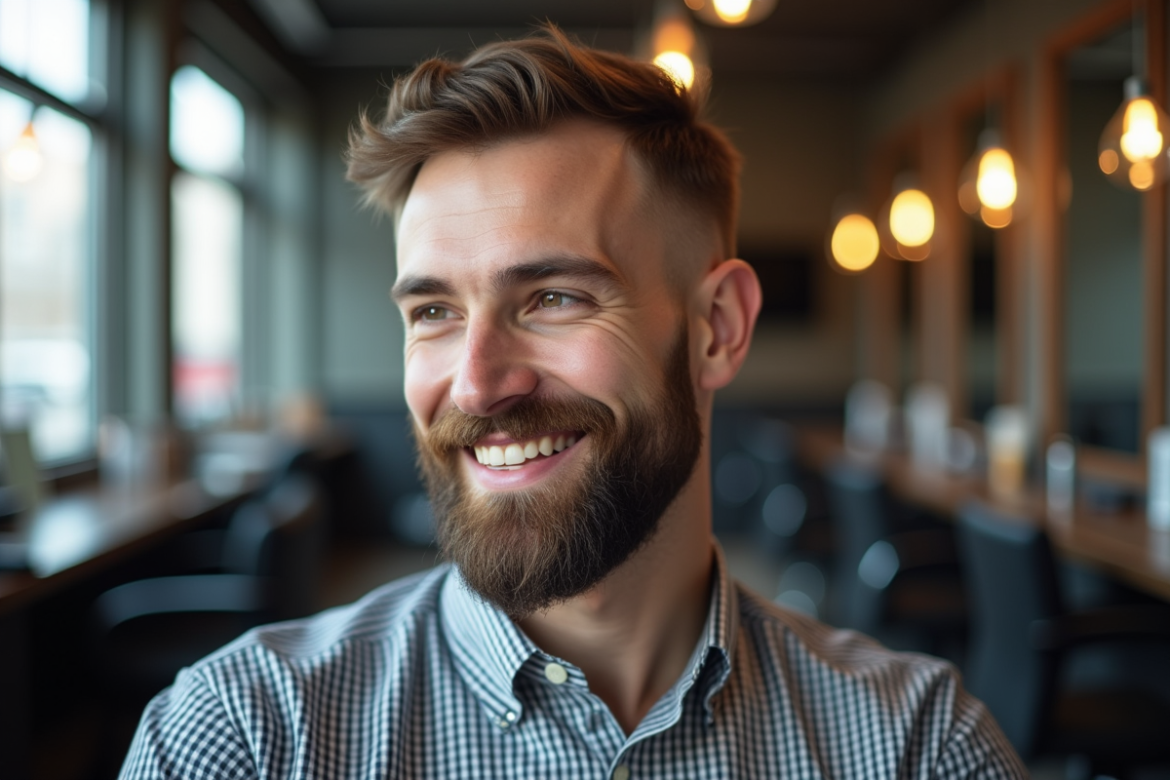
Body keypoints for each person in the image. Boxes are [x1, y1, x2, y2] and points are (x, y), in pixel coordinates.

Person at [120, 27, 1026, 779]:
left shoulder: (916, 746)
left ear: (718, 329)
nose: (475, 382)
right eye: (434, 311)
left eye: (553, 297)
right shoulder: (245, 737)